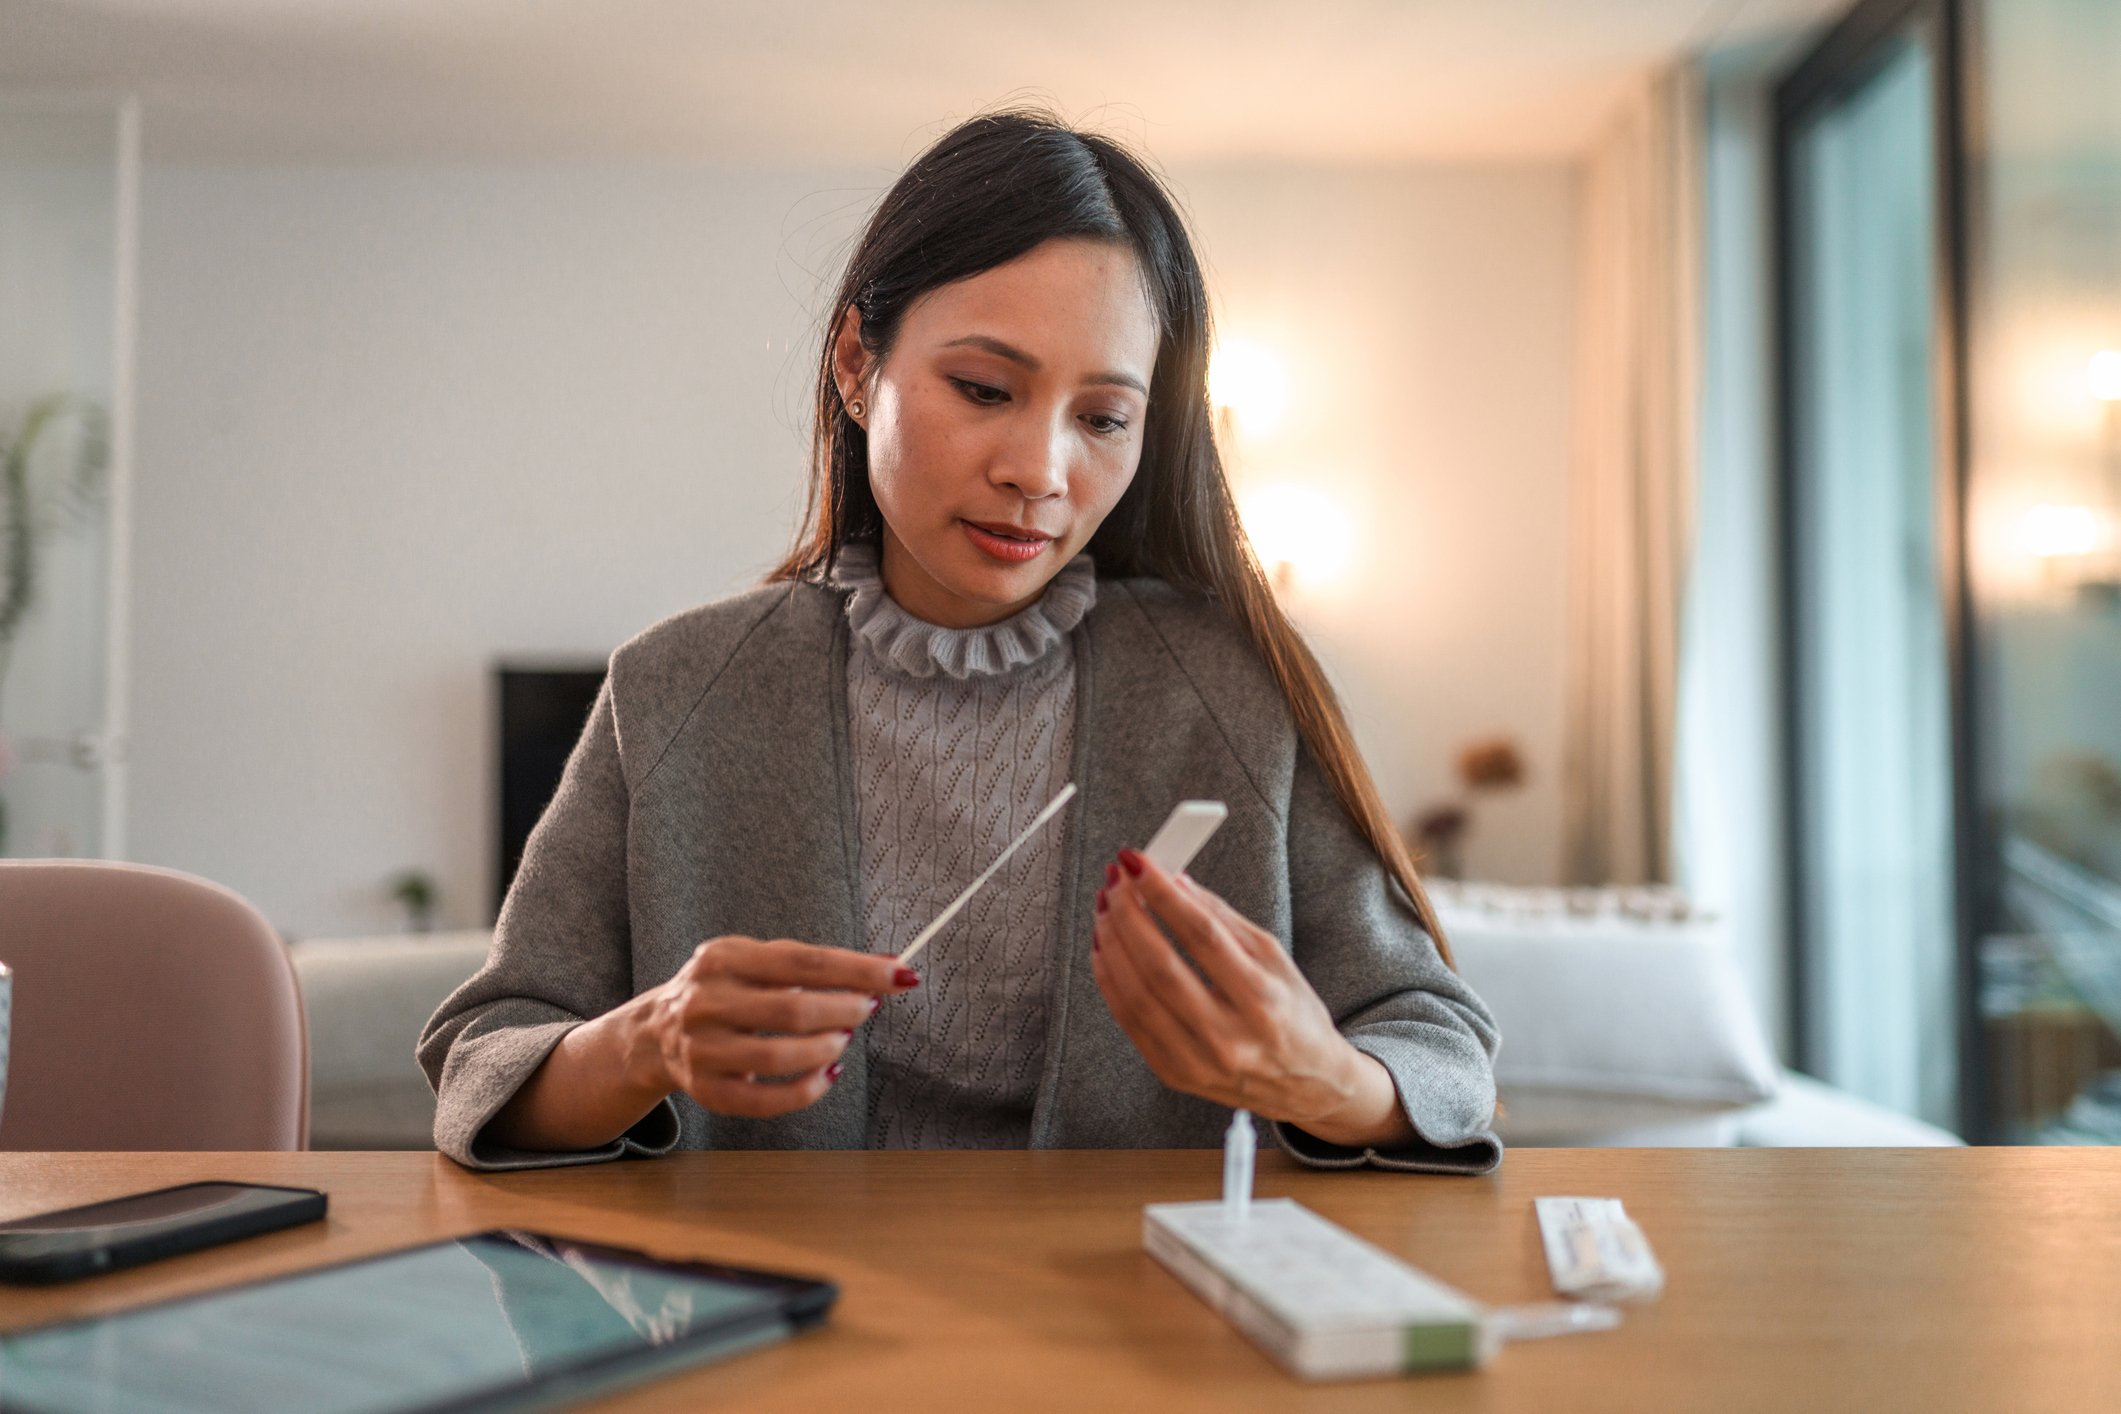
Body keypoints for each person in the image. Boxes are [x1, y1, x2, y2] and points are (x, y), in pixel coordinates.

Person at [418, 109, 1502, 1175]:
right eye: (984, 389)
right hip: (777, 1323)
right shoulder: (676, 689)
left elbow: (1436, 1042)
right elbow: (484, 1058)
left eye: (1104, 419)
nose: (1039, 469)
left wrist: (1323, 1078)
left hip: (1145, 1325)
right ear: (855, 363)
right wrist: (643, 1043)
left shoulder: (1230, 690)